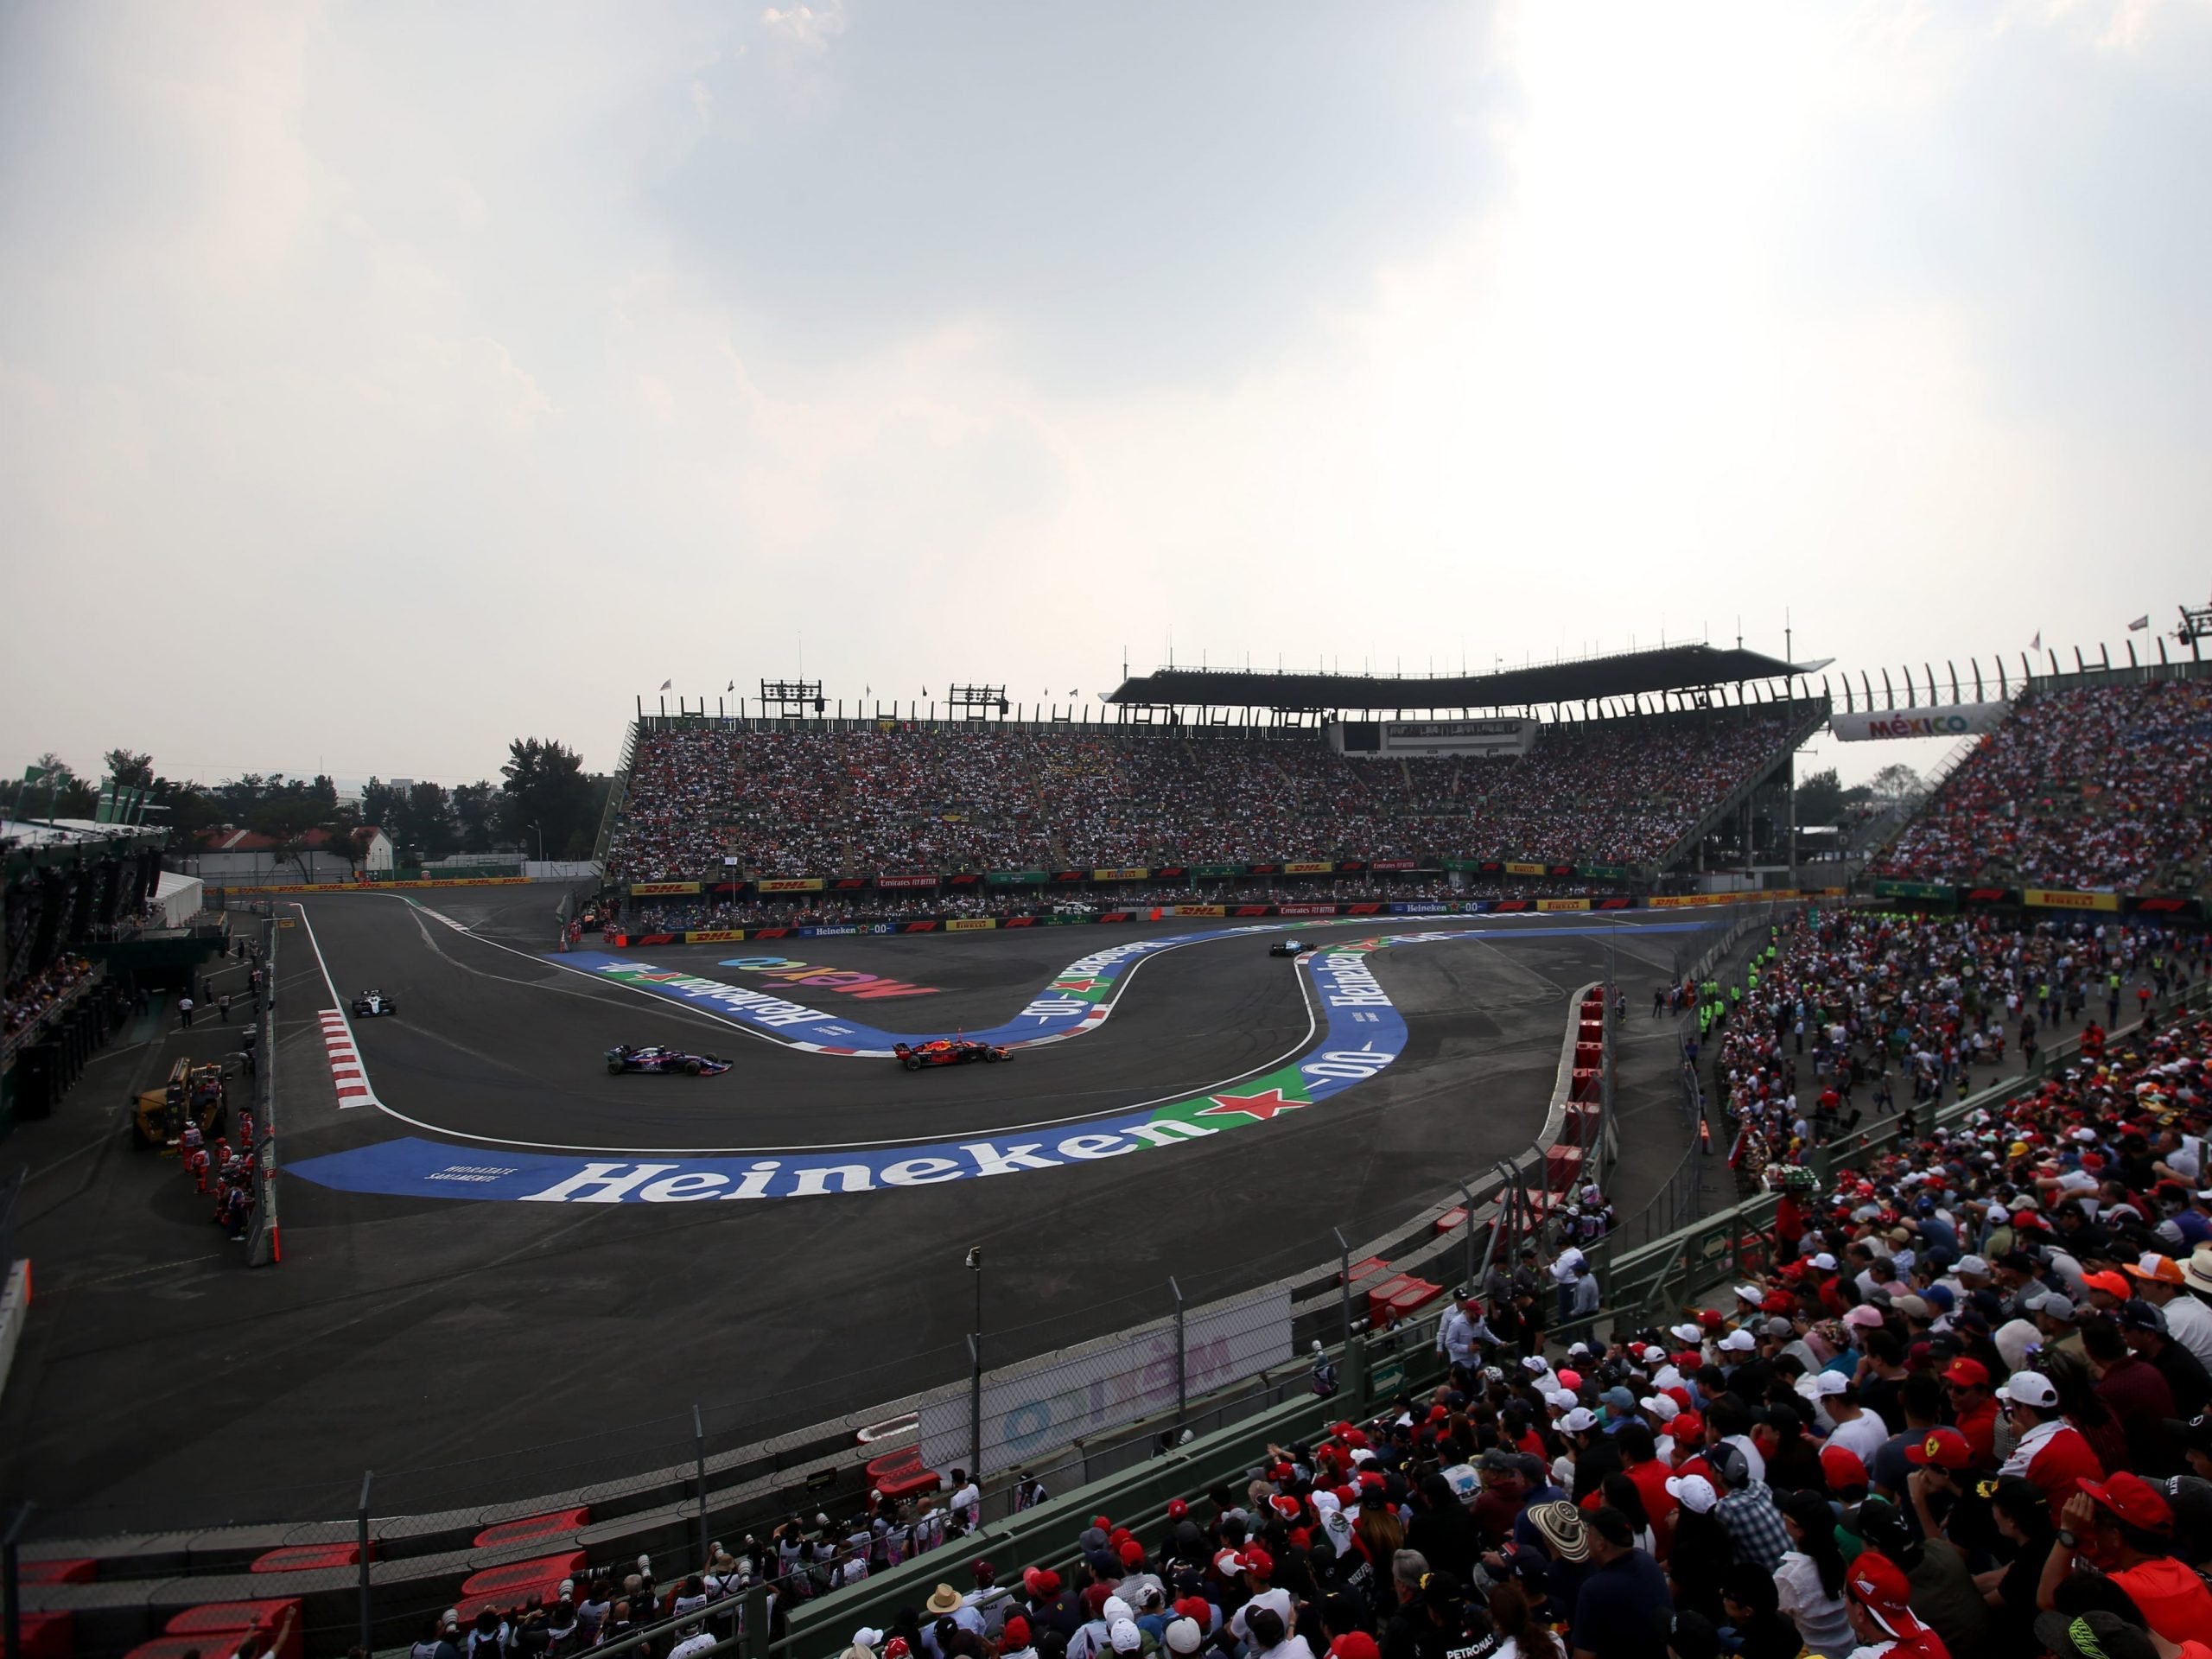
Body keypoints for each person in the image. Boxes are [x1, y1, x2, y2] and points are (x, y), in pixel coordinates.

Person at [2039, 1473, 2212, 1645]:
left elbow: (2049, 1601)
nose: (2092, 1524)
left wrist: (2069, 1533)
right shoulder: (2183, 1570)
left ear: (2116, 1537)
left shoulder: (2122, 1589)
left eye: (2097, 1518)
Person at [1568, 1508, 1670, 1659]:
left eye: (1588, 1534)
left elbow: (1583, 1656)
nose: (1585, 1538)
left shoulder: (1594, 1589)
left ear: (1601, 1544)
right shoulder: (1647, 1561)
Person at [1773, 1490, 1854, 1659]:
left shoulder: (1788, 1576)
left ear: (1798, 1530)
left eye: (1784, 1516)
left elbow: (1779, 1625)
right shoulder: (1840, 1557)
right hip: (1850, 1649)